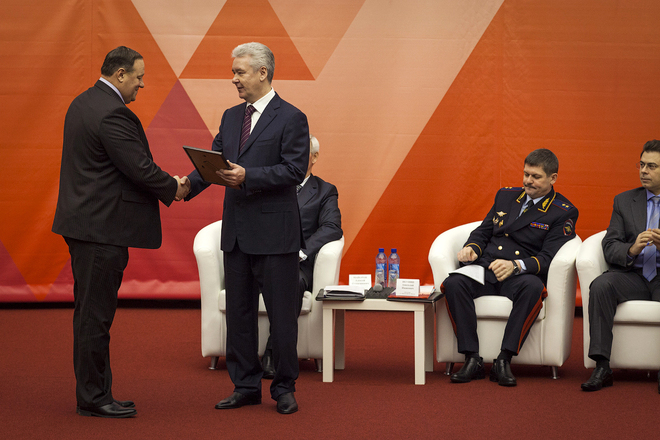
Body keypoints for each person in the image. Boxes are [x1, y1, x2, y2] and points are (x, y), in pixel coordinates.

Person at [52, 46, 190, 418]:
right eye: (139, 77)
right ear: (121, 74)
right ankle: (94, 398)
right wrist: (174, 187)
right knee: (95, 317)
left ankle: (96, 392)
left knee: (89, 313)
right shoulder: (114, 112)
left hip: (85, 224)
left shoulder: (83, 102)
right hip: (102, 229)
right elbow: (139, 167)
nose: (142, 85)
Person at [184, 42, 309, 414]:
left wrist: (248, 176)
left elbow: (294, 170)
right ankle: (245, 386)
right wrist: (185, 186)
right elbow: (214, 163)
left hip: (275, 237)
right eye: (233, 72)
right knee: (239, 316)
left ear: (262, 72)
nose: (234, 79)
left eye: (239, 72)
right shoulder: (230, 116)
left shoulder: (292, 117)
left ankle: (284, 388)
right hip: (237, 235)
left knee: (282, 318)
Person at [441, 149, 578, 386]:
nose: (528, 181)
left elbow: (547, 258)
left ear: (553, 178)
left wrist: (516, 266)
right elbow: (483, 231)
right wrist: (472, 247)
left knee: (533, 288)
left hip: (520, 275)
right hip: (487, 268)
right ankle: (471, 358)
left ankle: (504, 359)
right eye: (526, 174)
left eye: (536, 176)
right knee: (454, 283)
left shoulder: (562, 211)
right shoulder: (506, 196)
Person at [260, 134, 343, 379]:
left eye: (300, 152)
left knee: (291, 280)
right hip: (263, 257)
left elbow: (332, 227)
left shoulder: (325, 190)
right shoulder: (272, 185)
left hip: (297, 262)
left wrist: (302, 252)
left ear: (314, 157)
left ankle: (272, 352)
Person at [582, 140, 660, 393]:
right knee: (601, 285)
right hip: (633, 275)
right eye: (641, 165)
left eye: (651, 166)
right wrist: (632, 249)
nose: (643, 171)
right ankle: (602, 366)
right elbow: (609, 245)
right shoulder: (625, 201)